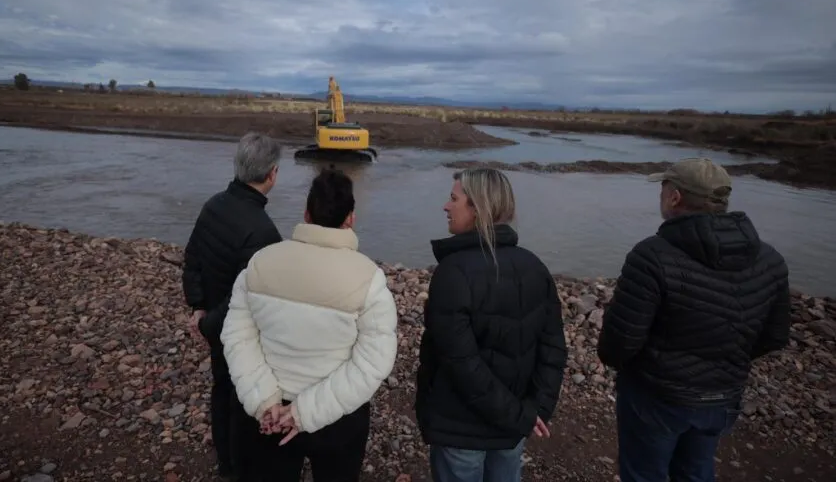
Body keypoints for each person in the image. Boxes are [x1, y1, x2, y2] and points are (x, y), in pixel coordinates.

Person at [597, 157, 791, 482]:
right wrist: (724, 361)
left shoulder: (652, 256)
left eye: (663, 188)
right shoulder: (770, 259)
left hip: (656, 396)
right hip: (722, 395)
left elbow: (618, 346)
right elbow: (774, 335)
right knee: (696, 473)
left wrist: (648, 368)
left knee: (644, 474)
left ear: (675, 197)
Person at [219, 168, 398, 482]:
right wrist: (304, 413)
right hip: (337, 418)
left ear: (306, 213)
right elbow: (372, 363)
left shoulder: (259, 263)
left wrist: (265, 401)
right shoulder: (369, 279)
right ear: (351, 219)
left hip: (266, 416)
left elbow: (237, 338)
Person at [415, 167, 568, 482]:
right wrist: (535, 411)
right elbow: (553, 349)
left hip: (461, 431)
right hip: (513, 427)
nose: (446, 206)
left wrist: (526, 413)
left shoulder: (452, 272)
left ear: (477, 208)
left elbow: (459, 363)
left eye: (454, 198)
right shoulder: (535, 266)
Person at [181, 132, 283, 481]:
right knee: (241, 402)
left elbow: (192, 258)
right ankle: (238, 469)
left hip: (212, 319)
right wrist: (208, 323)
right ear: (272, 174)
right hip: (235, 332)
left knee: (221, 390)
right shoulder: (264, 233)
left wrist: (198, 308)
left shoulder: (213, 204)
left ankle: (226, 465)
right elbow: (246, 298)